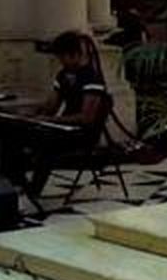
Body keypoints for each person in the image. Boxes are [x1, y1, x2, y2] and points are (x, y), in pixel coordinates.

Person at [26, 31, 111, 200]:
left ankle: (33, 190)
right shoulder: (63, 75)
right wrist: (35, 113)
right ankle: (17, 182)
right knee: (17, 136)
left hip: (82, 133)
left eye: (63, 57)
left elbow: (86, 118)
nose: (61, 61)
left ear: (75, 55)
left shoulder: (91, 78)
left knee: (46, 145)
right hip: (63, 127)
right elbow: (51, 106)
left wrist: (51, 120)